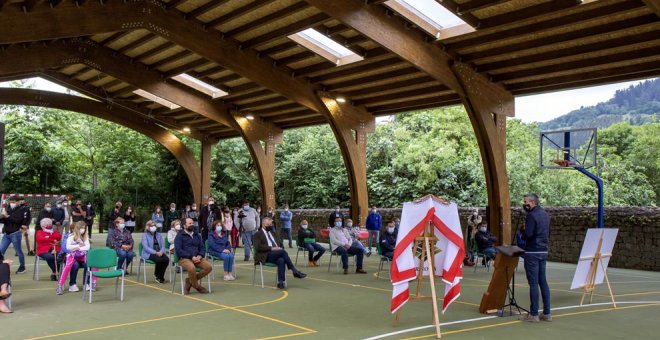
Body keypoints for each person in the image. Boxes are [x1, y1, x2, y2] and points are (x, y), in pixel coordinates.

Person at [519, 193, 551, 323]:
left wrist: (522, 232)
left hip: (532, 251)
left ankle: (533, 314)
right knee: (542, 281)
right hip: (543, 250)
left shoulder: (531, 215)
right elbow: (549, 232)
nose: (524, 204)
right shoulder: (545, 214)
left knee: (533, 283)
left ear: (532, 202)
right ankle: (547, 313)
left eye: (525, 201)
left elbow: (529, 234)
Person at [253, 217, 306, 290]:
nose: (270, 226)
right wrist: (272, 248)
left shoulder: (273, 233)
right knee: (283, 252)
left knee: (281, 260)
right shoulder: (257, 234)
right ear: (263, 224)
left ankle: (281, 282)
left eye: (271, 224)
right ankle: (294, 270)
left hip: (276, 253)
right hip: (265, 255)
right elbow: (258, 247)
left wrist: (279, 248)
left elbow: (280, 244)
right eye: (268, 224)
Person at [174, 217, 212, 294]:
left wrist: (200, 256)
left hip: (198, 258)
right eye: (190, 223)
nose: (192, 225)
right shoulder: (179, 236)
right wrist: (191, 256)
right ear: (184, 226)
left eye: (193, 223)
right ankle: (197, 286)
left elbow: (202, 247)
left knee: (208, 267)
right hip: (184, 259)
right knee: (191, 268)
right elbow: (179, 250)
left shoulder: (197, 235)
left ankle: (189, 281)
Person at [57, 222, 96, 294]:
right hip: (72, 255)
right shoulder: (70, 237)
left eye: (84, 228)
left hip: (82, 255)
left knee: (92, 263)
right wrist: (79, 246)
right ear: (77, 229)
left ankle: (90, 283)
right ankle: (60, 285)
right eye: (81, 228)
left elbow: (87, 247)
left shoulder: (85, 237)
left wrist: (76, 248)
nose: (83, 230)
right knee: (68, 267)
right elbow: (67, 247)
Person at [0, 196, 30, 274]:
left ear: (17, 202)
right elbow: (4, 221)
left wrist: (8, 216)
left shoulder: (21, 210)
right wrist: (2, 217)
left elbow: (18, 221)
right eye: (11, 202)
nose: (12, 203)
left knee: (18, 251)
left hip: (15, 233)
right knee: (1, 251)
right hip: (7, 234)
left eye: (13, 202)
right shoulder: (7, 209)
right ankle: (1, 266)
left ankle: (22, 267)